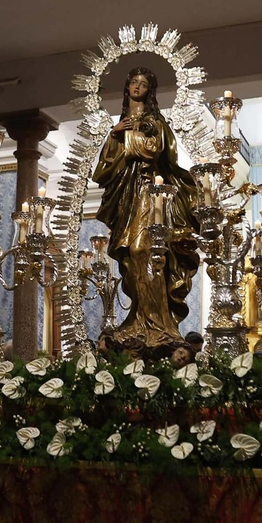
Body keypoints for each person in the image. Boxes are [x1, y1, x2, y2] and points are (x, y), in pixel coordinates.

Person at [93, 67, 201, 357]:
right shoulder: (120, 126)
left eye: (143, 84)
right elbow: (103, 170)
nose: (137, 87)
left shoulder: (155, 121)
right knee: (129, 257)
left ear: (150, 91)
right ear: (127, 87)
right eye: (134, 82)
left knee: (146, 250)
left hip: (149, 194)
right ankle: (138, 320)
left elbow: (153, 150)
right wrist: (115, 136)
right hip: (127, 198)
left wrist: (127, 141)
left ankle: (159, 324)